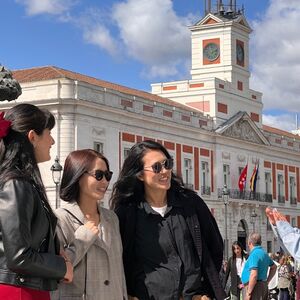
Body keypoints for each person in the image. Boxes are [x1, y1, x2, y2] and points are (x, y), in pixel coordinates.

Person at [110, 140, 226, 300]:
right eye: (157, 167)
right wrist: (129, 293)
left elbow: (215, 247)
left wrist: (205, 291)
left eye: (167, 164)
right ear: (140, 175)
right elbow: (120, 259)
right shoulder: (128, 212)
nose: (165, 171)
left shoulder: (191, 203)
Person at [0, 104, 73, 300]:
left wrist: (55, 251)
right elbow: (18, 256)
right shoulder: (15, 185)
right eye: (48, 132)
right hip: (19, 291)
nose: (52, 140)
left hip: (26, 288)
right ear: (32, 136)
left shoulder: (21, 183)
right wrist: (61, 267)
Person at [52, 149, 127, 300]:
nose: (105, 182)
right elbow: (56, 271)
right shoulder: (60, 219)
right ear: (78, 176)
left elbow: (119, 268)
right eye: (98, 175)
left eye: (108, 175)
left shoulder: (112, 218)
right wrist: (82, 240)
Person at [241, 233, 277, 300]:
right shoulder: (264, 254)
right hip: (262, 285)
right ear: (260, 242)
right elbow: (274, 267)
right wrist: (267, 281)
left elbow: (254, 275)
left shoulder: (254, 254)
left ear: (249, 243)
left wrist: (248, 293)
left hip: (255, 287)